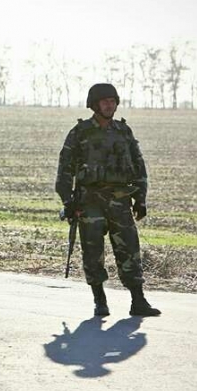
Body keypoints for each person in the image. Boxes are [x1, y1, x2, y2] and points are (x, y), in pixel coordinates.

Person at [55, 83, 161, 318]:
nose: (109, 104)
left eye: (112, 101)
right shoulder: (80, 132)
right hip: (89, 202)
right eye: (104, 101)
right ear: (94, 105)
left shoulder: (124, 132)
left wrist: (140, 199)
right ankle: (100, 300)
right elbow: (65, 169)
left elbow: (138, 166)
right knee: (93, 253)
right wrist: (68, 202)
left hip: (120, 202)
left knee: (130, 250)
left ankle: (138, 300)